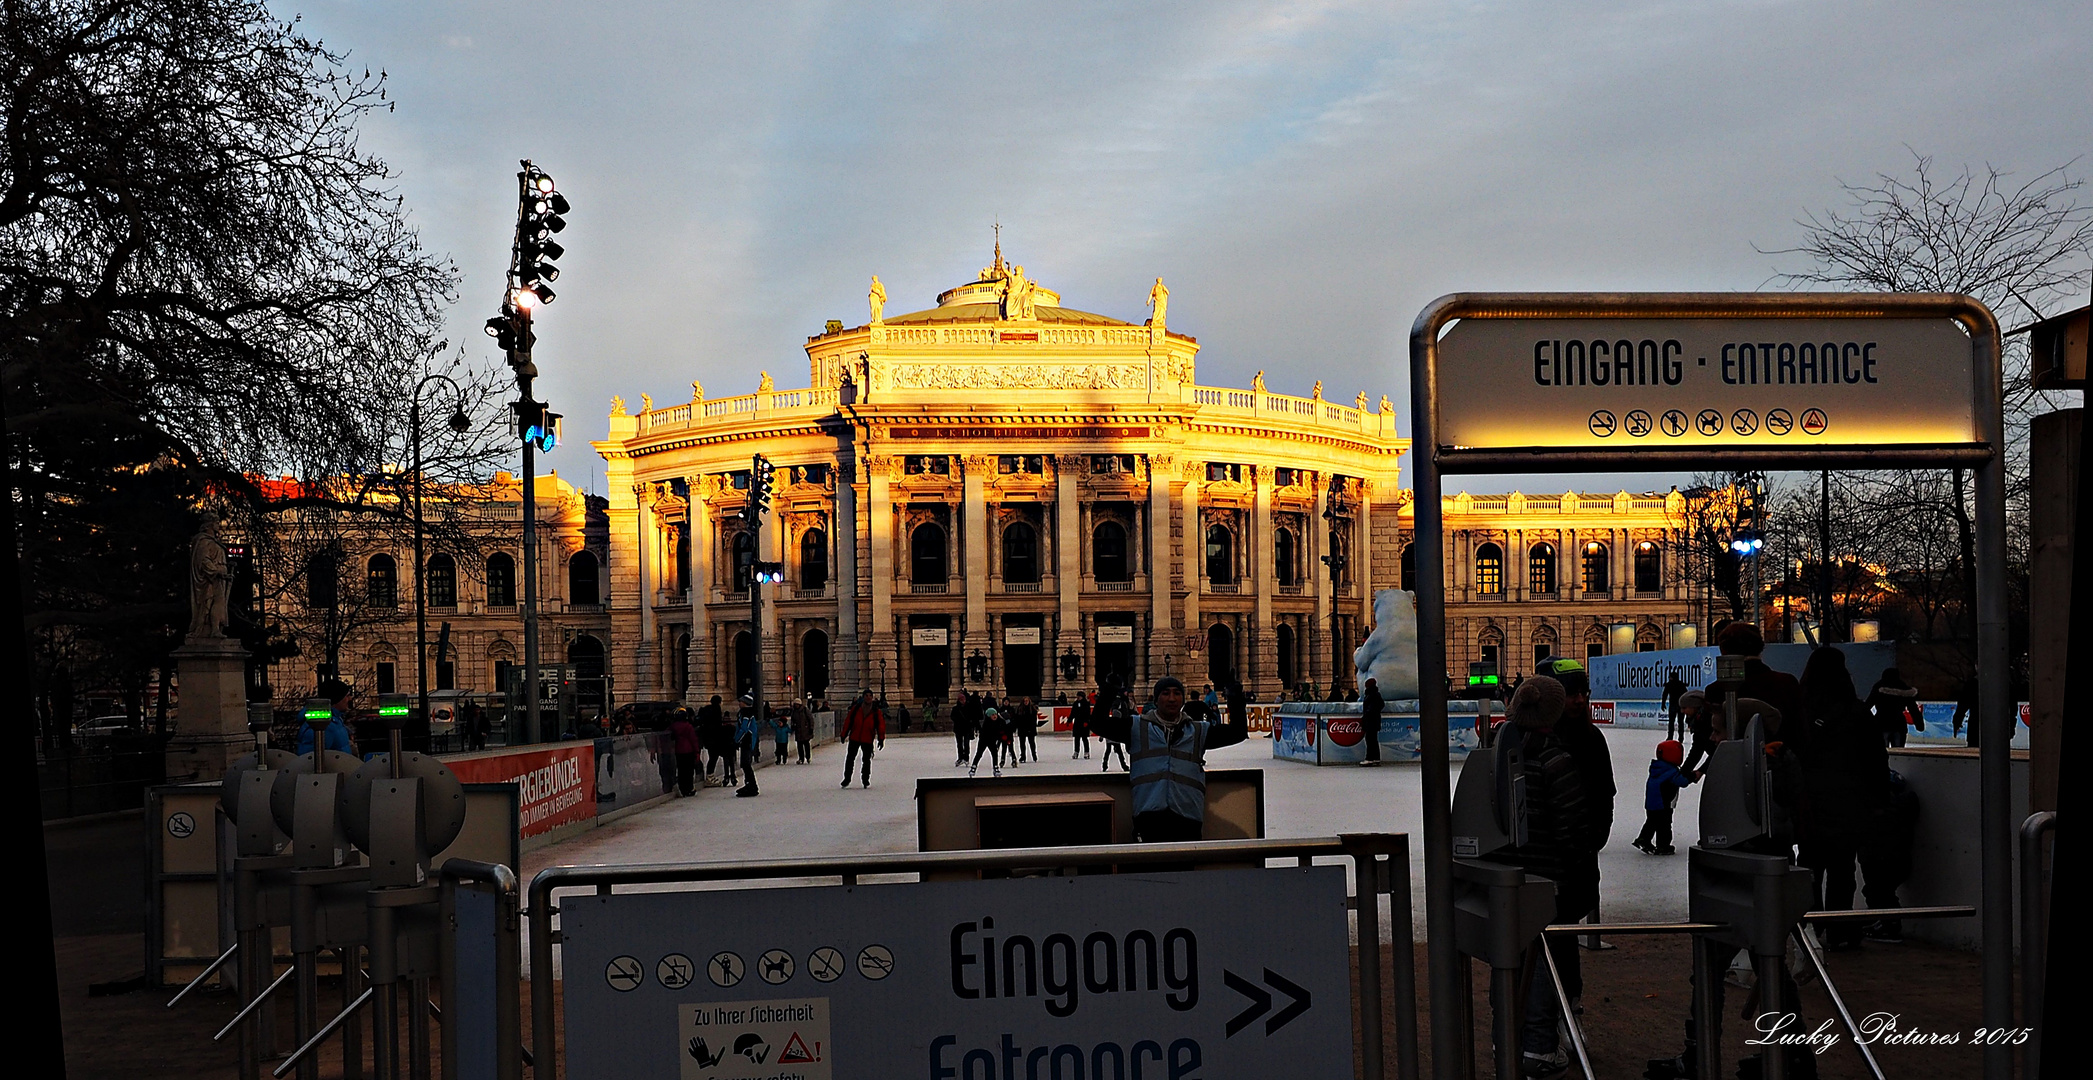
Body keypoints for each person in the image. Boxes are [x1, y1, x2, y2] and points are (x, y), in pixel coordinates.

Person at [1491, 675, 1590, 1080]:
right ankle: (1538, 1048)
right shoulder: (1555, 759)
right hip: (1546, 878)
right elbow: (1572, 827)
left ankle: (1505, 1038)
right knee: (1542, 969)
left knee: (1507, 962)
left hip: (1503, 880)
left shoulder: (1494, 757)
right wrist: (1575, 869)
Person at [1796, 646, 1890, 950]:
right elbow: (1876, 760)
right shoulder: (1856, 712)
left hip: (1809, 801)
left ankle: (1809, 928)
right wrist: (1878, 800)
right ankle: (1839, 929)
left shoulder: (1801, 710)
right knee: (1841, 868)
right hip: (1848, 802)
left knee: (1809, 866)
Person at [1084, 676, 1249, 843]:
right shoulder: (1136, 728)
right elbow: (1098, 724)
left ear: (1183, 700)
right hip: (1148, 819)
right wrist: (1109, 690)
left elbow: (1238, 732)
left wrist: (1235, 698)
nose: (1171, 698)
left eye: (1177, 693)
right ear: (1156, 699)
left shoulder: (1198, 731)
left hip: (1188, 820)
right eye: (1165, 693)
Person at [1634, 739, 1693, 855]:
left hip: (1651, 804)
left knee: (1651, 822)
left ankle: (1643, 839)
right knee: (1664, 825)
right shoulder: (1670, 771)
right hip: (1663, 805)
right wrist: (1691, 777)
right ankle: (1663, 845)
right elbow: (1682, 782)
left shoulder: (1657, 768)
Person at [1867, 668, 1922, 748]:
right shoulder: (1903, 687)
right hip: (1898, 725)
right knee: (1898, 753)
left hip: (1881, 723)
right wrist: (1919, 723)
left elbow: (1869, 704)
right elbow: (1913, 708)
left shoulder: (1879, 686)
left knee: (1881, 753)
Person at [840, 690, 884, 788]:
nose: (868, 697)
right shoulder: (856, 709)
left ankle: (865, 779)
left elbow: (880, 725)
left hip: (867, 738)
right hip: (855, 737)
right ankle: (847, 778)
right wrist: (844, 734)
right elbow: (848, 721)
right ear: (863, 697)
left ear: (872, 697)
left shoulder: (876, 711)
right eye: (866, 695)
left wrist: (881, 739)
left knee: (866, 760)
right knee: (850, 759)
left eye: (870, 696)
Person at [698, 694, 736, 787]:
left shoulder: (706, 710)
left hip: (707, 738)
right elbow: (717, 725)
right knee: (714, 757)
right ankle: (710, 776)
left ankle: (710, 775)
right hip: (715, 738)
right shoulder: (716, 710)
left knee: (712, 757)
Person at [668, 707, 701, 796]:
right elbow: (693, 740)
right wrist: (697, 751)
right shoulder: (688, 726)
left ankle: (682, 788)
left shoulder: (673, 726)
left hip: (678, 750)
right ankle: (689, 788)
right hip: (688, 750)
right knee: (689, 771)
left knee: (681, 770)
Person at [968, 704, 1007, 777]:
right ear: (989, 716)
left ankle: (995, 767)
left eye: (995, 714)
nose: (994, 716)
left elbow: (1001, 729)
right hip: (984, 740)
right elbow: (987, 732)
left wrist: (1002, 735)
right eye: (992, 715)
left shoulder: (999, 721)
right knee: (979, 753)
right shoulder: (986, 723)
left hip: (992, 740)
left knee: (994, 753)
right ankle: (973, 767)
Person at [733, 697, 762, 797]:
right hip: (746, 741)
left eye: (740, 701)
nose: (739, 703)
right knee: (745, 764)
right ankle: (749, 784)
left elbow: (744, 729)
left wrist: (736, 740)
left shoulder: (747, 714)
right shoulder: (743, 713)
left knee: (746, 763)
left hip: (747, 741)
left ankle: (752, 786)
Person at [1360, 677, 1385, 767]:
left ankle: (1369, 758)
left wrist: (1368, 712)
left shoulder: (1373, 694)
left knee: (1370, 740)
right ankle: (1376, 758)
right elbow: (1381, 704)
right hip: (1373, 720)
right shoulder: (1375, 694)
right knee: (1373, 740)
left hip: (1371, 720)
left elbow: (1378, 705)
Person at [1011, 696, 1039, 763]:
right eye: (1025, 701)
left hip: (1030, 728)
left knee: (1032, 743)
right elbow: (1016, 719)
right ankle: (1023, 756)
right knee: (1022, 743)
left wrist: (1032, 727)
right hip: (1022, 728)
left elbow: (1034, 720)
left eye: (1027, 701)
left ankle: (1034, 755)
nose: (1026, 702)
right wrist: (1015, 727)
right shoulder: (1019, 709)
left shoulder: (1032, 709)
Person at [1661, 671, 1688, 741]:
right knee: (1680, 722)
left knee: (1671, 722)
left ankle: (1670, 736)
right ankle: (1681, 737)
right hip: (1680, 705)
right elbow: (1686, 695)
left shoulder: (1669, 685)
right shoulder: (1681, 684)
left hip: (1673, 705)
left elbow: (1665, 695)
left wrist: (1663, 704)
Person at [952, 692, 976, 767]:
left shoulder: (969, 707)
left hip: (967, 728)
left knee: (966, 744)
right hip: (958, 728)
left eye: (964, 699)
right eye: (961, 700)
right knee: (959, 744)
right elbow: (952, 717)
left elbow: (973, 717)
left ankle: (966, 758)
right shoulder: (955, 708)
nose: (963, 701)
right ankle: (960, 757)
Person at [791, 699, 814, 764]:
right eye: (795, 704)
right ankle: (801, 758)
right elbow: (793, 720)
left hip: (805, 731)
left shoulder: (805, 710)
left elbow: (810, 719)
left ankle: (808, 757)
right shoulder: (794, 711)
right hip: (798, 731)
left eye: (797, 704)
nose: (796, 706)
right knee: (799, 746)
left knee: (806, 745)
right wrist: (793, 726)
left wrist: (811, 728)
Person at [1070, 692, 1092, 759]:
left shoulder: (1086, 704)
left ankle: (1086, 752)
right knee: (1077, 738)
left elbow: (1088, 713)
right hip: (1077, 723)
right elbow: (1073, 712)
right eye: (1077, 696)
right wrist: (1069, 719)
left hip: (1084, 723)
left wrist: (1086, 721)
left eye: (1079, 696)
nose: (1078, 697)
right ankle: (1076, 751)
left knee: (1084, 738)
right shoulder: (1075, 703)